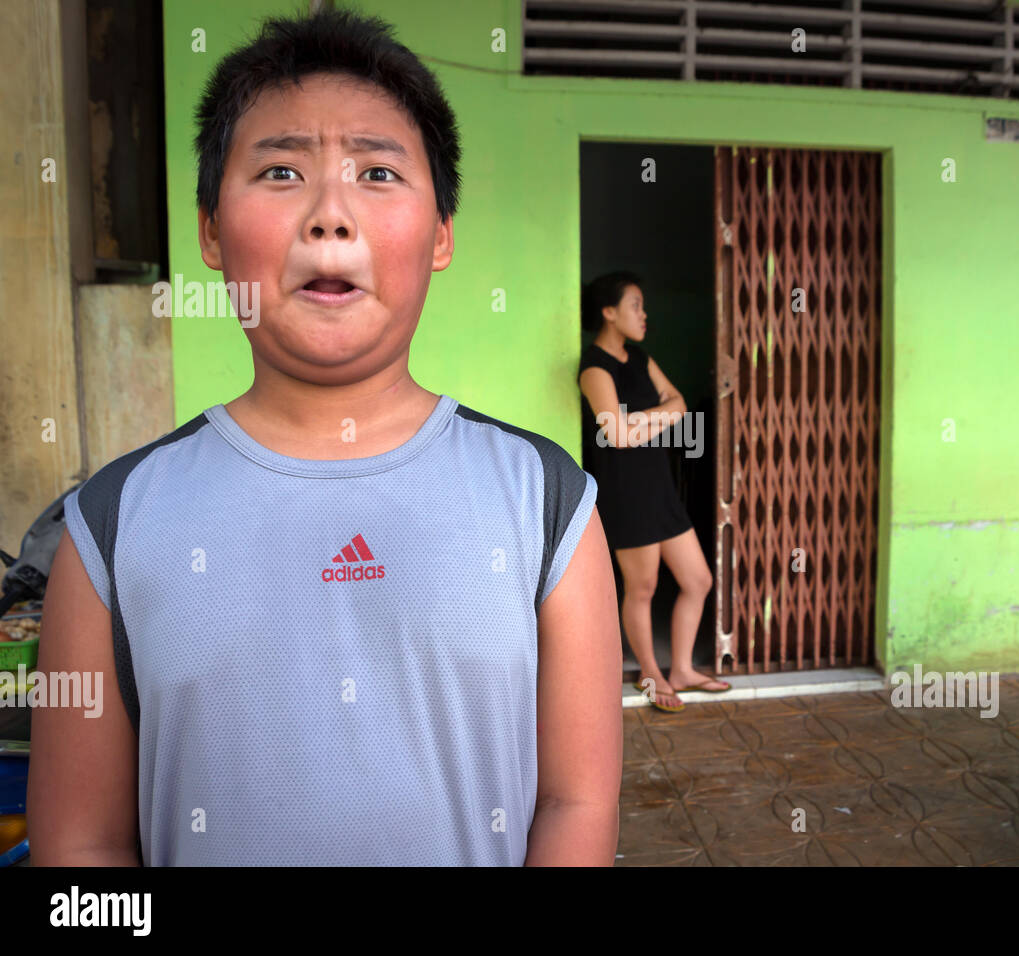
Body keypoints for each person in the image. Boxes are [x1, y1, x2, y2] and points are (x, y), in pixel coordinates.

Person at [26, 9, 622, 867]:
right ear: (209, 232)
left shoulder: (546, 503)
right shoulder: (112, 526)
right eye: (279, 171)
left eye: (377, 172)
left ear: (442, 234)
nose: (329, 215)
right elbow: (78, 851)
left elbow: (577, 804)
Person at [578, 273, 730, 713]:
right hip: (625, 490)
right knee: (642, 585)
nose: (644, 315)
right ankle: (650, 672)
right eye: (636, 306)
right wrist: (658, 418)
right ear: (609, 312)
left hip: (658, 484)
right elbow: (617, 434)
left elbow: (679, 404)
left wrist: (641, 421)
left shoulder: (640, 358)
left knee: (698, 579)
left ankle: (681, 669)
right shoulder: (594, 369)